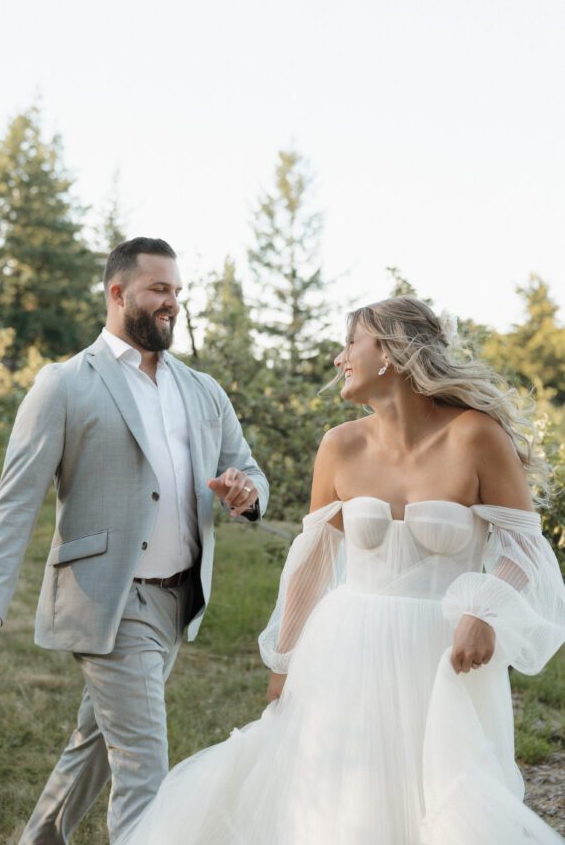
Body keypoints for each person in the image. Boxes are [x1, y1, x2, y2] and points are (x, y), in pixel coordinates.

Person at [118, 296, 565, 845]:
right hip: (346, 648)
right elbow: (312, 562)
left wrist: (485, 610)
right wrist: (283, 661)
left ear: (391, 353)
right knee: (339, 802)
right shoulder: (340, 445)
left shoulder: (476, 436)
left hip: (442, 658)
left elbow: (525, 550)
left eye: (351, 342)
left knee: (446, 799)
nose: (339, 358)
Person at [0, 237, 269, 845]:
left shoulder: (202, 389)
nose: (171, 303)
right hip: (109, 597)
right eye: (158, 289)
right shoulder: (64, 385)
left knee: (96, 745)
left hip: (178, 600)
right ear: (118, 292)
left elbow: (251, 470)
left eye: (177, 292)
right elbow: (14, 504)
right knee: (144, 768)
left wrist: (245, 491)